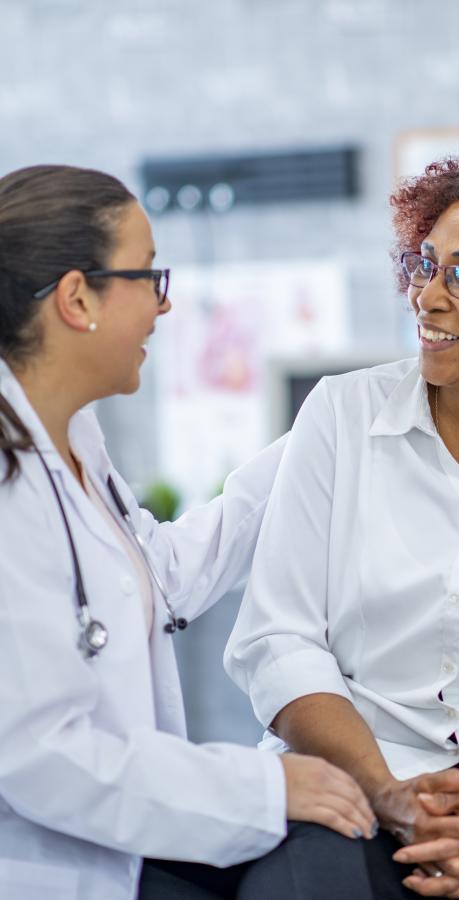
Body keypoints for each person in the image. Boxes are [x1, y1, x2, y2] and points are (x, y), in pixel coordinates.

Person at [0, 163, 387, 900]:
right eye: (148, 274)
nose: (165, 302)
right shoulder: (9, 486)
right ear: (77, 298)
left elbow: (157, 574)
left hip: (119, 838)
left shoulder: (72, 436)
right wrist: (264, 787)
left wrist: (326, 433)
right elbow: (42, 757)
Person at [225, 154, 459, 900]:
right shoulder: (341, 415)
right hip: (359, 766)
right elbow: (279, 639)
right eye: (424, 265)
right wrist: (387, 794)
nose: (426, 296)